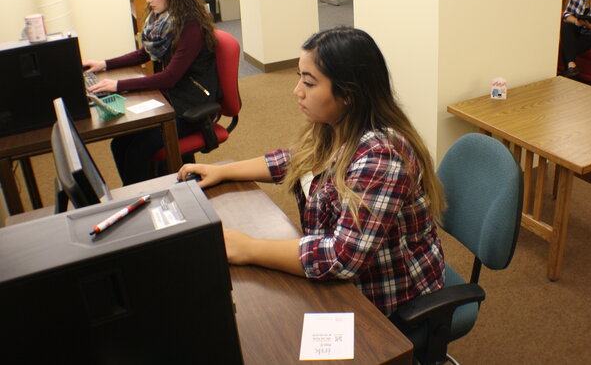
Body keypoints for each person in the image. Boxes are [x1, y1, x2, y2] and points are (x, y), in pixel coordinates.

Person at [178, 27, 446, 316]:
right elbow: (296, 161)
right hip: (346, 281)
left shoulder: (383, 156)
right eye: (299, 78)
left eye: (309, 82)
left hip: (389, 294)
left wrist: (249, 248)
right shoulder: (336, 125)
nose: (297, 91)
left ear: (348, 93)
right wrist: (225, 171)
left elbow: (343, 258)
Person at [84, 0, 220, 185]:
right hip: (170, 98)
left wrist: (117, 85)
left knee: (137, 150)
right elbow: (142, 54)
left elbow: (170, 77)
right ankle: (138, 194)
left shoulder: (190, 26)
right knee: (119, 143)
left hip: (191, 105)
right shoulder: (164, 21)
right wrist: (104, 64)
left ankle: (146, 197)